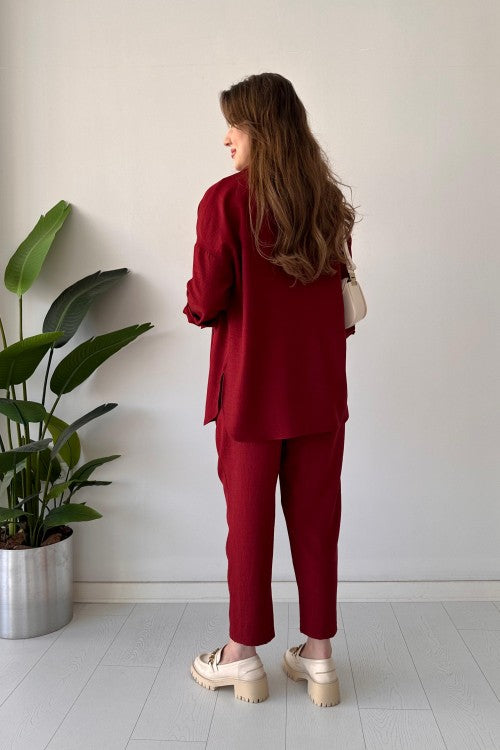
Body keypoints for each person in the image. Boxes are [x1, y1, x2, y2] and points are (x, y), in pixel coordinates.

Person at [183, 72, 357, 706]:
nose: (226, 137)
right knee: (317, 523)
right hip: (318, 391)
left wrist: (197, 305)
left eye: (234, 124)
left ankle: (242, 657)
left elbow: (206, 299)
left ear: (260, 129)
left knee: (248, 525)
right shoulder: (326, 203)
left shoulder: (226, 201)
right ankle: (319, 658)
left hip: (250, 392)